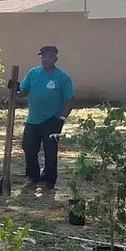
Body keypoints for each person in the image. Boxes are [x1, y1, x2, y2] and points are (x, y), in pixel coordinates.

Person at [14, 45, 75, 187]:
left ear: (55, 58)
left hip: (52, 119)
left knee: (50, 150)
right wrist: (16, 88)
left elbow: (70, 99)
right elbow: (23, 92)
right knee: (28, 147)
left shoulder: (62, 77)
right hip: (33, 119)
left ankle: (48, 179)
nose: (46, 59)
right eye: (43, 56)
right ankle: (32, 176)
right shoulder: (33, 73)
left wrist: (62, 118)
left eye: (49, 56)